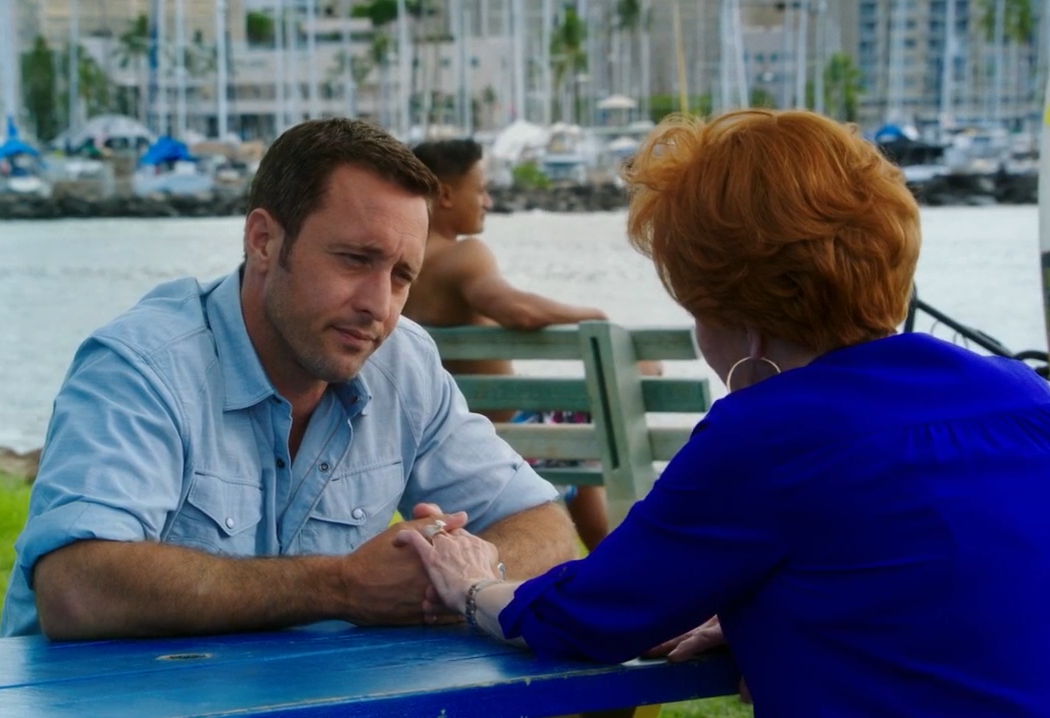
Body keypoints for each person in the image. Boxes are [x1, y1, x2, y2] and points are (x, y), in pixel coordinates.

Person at [395, 110, 1050, 717]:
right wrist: (767, 614)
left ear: (735, 313)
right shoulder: (1025, 396)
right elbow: (939, 585)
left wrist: (472, 587)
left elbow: (587, 616)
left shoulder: (768, 434)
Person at [1, 118, 576, 639]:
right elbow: (76, 588)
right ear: (264, 241)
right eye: (355, 259)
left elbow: (546, 529)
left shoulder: (404, 362)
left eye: (402, 276)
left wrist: (460, 577)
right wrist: (342, 587)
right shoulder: (142, 366)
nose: (379, 305)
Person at [404, 138, 611, 550]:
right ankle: (609, 558)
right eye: (481, 189)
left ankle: (604, 562)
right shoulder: (464, 255)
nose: (488, 201)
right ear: (445, 194)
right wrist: (594, 316)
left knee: (568, 419)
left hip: (438, 443)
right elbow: (517, 311)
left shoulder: (397, 263)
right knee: (582, 415)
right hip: (503, 438)